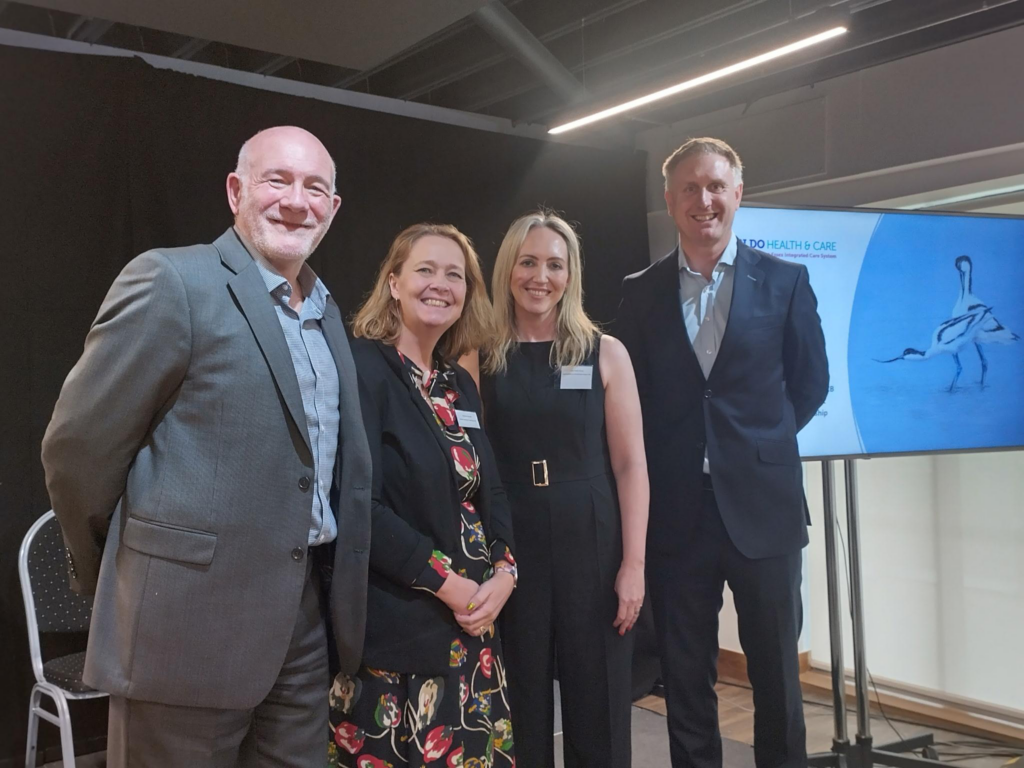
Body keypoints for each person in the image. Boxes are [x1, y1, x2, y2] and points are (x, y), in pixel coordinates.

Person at [40, 126, 371, 768]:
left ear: (333, 208)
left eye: (315, 188)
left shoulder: (327, 311)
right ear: (235, 191)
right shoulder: (173, 280)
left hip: (303, 625)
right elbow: (78, 452)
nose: (296, 201)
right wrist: (128, 572)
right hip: (183, 625)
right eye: (277, 180)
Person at [616, 137, 829, 768]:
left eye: (715, 186)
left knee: (777, 675)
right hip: (676, 514)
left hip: (765, 509)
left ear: (737, 193)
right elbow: (630, 396)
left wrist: (755, 446)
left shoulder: (785, 281)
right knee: (685, 676)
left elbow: (810, 383)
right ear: (669, 200)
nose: (703, 200)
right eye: (689, 188)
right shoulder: (640, 291)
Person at [330, 223, 516, 767]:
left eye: (454, 275)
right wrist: (451, 586)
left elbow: (491, 489)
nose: (441, 284)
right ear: (393, 283)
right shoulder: (362, 369)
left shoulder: (458, 384)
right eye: (425, 270)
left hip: (475, 628)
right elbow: (357, 504)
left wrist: (505, 572)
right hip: (401, 635)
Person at [481, 211, 649, 768]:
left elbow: (631, 465)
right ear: (507, 269)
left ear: (571, 274)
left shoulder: (605, 352)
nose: (541, 276)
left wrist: (634, 565)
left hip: (592, 541)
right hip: (512, 542)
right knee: (518, 703)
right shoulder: (479, 355)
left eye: (555, 264)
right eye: (528, 262)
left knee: (599, 702)